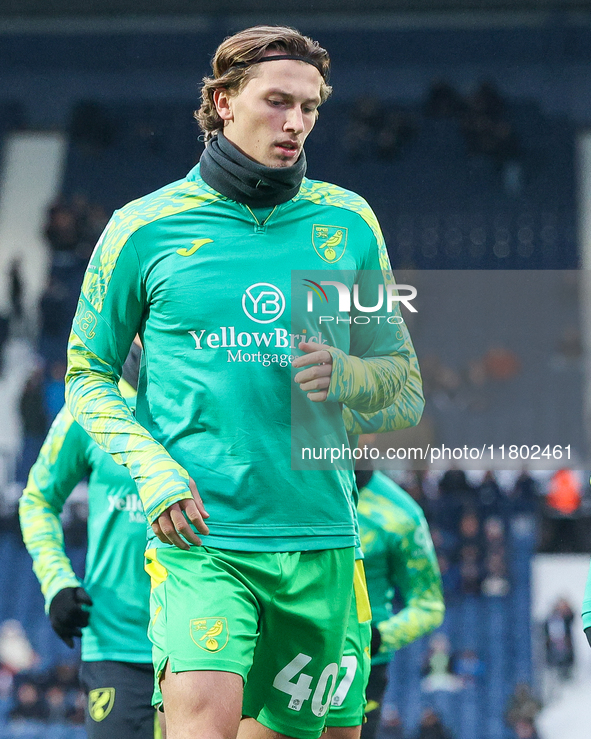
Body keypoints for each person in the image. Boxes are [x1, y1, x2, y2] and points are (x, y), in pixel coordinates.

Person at [64, 25, 422, 739]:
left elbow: (404, 387)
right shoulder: (143, 228)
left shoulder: (346, 222)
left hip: (320, 539)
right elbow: (87, 376)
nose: (295, 123)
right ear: (223, 102)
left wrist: (348, 372)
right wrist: (152, 467)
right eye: (277, 102)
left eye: (311, 107)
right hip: (203, 537)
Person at [19, 342, 161, 739]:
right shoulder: (93, 405)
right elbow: (37, 500)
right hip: (117, 647)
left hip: (205, 641)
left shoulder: (210, 401)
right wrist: (57, 582)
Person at [325, 470, 444, 739]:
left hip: (364, 667)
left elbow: (430, 605)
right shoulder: (294, 489)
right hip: (291, 648)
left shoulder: (402, 513)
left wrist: (378, 637)